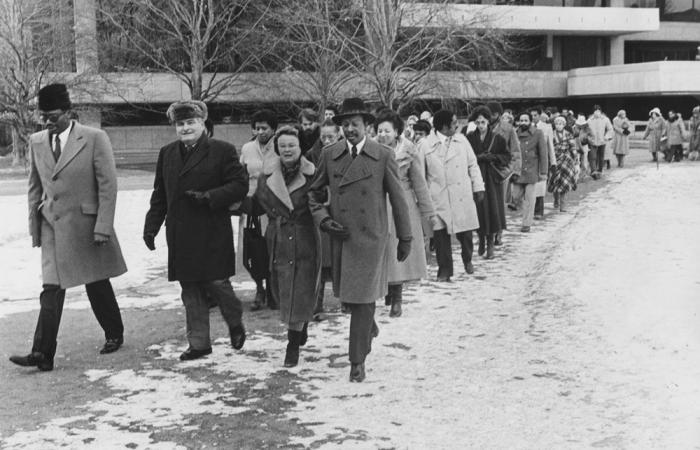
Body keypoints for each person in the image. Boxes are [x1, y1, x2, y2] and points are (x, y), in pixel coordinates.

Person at [10, 84, 127, 372]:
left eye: (52, 116)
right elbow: (34, 188)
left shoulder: (94, 138)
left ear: (68, 112)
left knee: (96, 281)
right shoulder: (37, 141)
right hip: (52, 225)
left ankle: (114, 331)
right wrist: (34, 229)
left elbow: (108, 187)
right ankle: (43, 353)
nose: (47, 122)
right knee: (51, 288)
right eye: (43, 117)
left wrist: (103, 226)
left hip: (86, 225)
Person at [308, 97, 412, 383]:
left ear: (368, 126)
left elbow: (399, 199)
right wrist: (323, 219)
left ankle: (357, 360)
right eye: (345, 124)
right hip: (341, 235)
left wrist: (406, 236)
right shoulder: (330, 154)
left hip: (371, 236)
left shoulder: (383, 154)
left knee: (363, 298)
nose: (350, 129)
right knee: (351, 297)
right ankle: (369, 328)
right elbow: (314, 194)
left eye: (355, 124)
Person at [143, 101, 248, 361]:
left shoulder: (222, 151)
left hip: (212, 230)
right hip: (180, 233)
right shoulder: (167, 153)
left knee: (217, 283)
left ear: (202, 124)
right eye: (181, 124)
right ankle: (199, 343)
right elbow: (160, 195)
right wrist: (151, 226)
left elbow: (239, 185)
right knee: (190, 289)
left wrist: (209, 196)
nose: (186, 128)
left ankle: (234, 321)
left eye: (191, 122)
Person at [252, 126, 320, 367]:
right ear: (277, 149)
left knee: (301, 289)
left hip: (305, 237)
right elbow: (259, 201)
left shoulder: (314, 174)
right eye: (283, 146)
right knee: (283, 290)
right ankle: (299, 327)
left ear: (300, 147)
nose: (287, 150)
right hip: (279, 238)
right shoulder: (267, 176)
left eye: (292, 145)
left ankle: (292, 345)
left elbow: (322, 202)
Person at [375, 110, 436, 317]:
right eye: (379, 130)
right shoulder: (371, 149)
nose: (383, 134)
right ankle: (387, 289)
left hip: (403, 203)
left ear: (397, 132)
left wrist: (428, 211)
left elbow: (419, 182)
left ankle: (397, 297)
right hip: (380, 203)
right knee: (383, 249)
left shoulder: (409, 150)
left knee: (398, 249)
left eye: (387, 131)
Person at [420, 109, 485, 281]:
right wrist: (423, 198)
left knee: (465, 233)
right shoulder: (425, 145)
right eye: (454, 123)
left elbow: (473, 164)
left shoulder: (462, 141)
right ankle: (444, 271)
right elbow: (420, 174)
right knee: (441, 236)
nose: (457, 125)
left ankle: (467, 258)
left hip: (461, 193)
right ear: (444, 126)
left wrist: (478, 187)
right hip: (438, 197)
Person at [239, 109, 278, 310]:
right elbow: (240, 175)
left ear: (274, 129)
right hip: (252, 207)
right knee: (252, 251)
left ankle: (273, 291)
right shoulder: (247, 148)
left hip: (273, 206)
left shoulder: (280, 147)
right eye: (257, 128)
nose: (260, 131)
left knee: (271, 248)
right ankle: (259, 289)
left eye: (265, 128)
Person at [305, 118, 342, 320]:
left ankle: (346, 300)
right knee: (320, 260)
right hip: (321, 212)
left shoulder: (347, 154)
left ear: (338, 135)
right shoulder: (311, 155)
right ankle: (317, 304)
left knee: (341, 258)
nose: (327, 140)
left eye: (331, 136)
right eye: (324, 136)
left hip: (341, 211)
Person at [466, 106, 511, 260]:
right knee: (478, 209)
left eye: (483, 122)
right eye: (478, 122)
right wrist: (478, 158)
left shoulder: (498, 139)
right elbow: (465, 157)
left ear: (488, 122)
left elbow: (506, 156)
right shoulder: (470, 138)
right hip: (476, 177)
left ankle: (491, 241)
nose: (480, 125)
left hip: (492, 179)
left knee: (493, 209)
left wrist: (493, 157)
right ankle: (481, 239)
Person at [487, 101, 521, 247]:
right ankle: (488, 232)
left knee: (499, 203)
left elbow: (515, 151)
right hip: (485, 170)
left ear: (498, 115)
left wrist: (513, 170)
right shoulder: (482, 127)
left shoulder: (508, 129)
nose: (489, 117)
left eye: (492, 114)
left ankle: (498, 232)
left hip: (501, 172)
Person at [512, 112, 548, 233]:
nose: (523, 123)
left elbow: (543, 153)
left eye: (525, 120)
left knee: (529, 199)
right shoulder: (515, 134)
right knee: (515, 196)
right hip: (518, 171)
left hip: (532, 170)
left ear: (530, 121)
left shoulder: (538, 133)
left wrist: (543, 171)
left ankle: (526, 224)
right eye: (521, 120)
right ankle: (518, 208)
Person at [547, 116, 578, 212]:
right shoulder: (551, 134)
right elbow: (548, 147)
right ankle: (556, 199)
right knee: (555, 180)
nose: (558, 125)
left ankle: (563, 205)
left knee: (564, 182)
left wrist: (575, 158)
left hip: (566, 160)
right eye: (556, 124)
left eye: (560, 124)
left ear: (564, 125)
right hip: (554, 160)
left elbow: (573, 147)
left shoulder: (568, 134)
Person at [530, 107, 554, 220]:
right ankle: (530, 210)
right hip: (530, 161)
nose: (533, 117)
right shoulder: (526, 127)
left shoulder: (546, 127)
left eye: (535, 115)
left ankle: (538, 211)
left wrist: (553, 161)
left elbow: (550, 146)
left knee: (540, 186)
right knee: (530, 185)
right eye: (532, 115)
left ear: (540, 115)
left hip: (541, 160)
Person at [587, 105, 613, 179]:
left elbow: (610, 129)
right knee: (593, 156)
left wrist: (606, 137)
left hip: (602, 140)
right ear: (593, 112)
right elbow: (586, 130)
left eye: (598, 110)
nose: (597, 112)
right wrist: (589, 138)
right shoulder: (589, 120)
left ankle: (600, 170)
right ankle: (593, 171)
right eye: (595, 111)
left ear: (601, 111)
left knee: (601, 157)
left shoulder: (605, 119)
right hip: (593, 141)